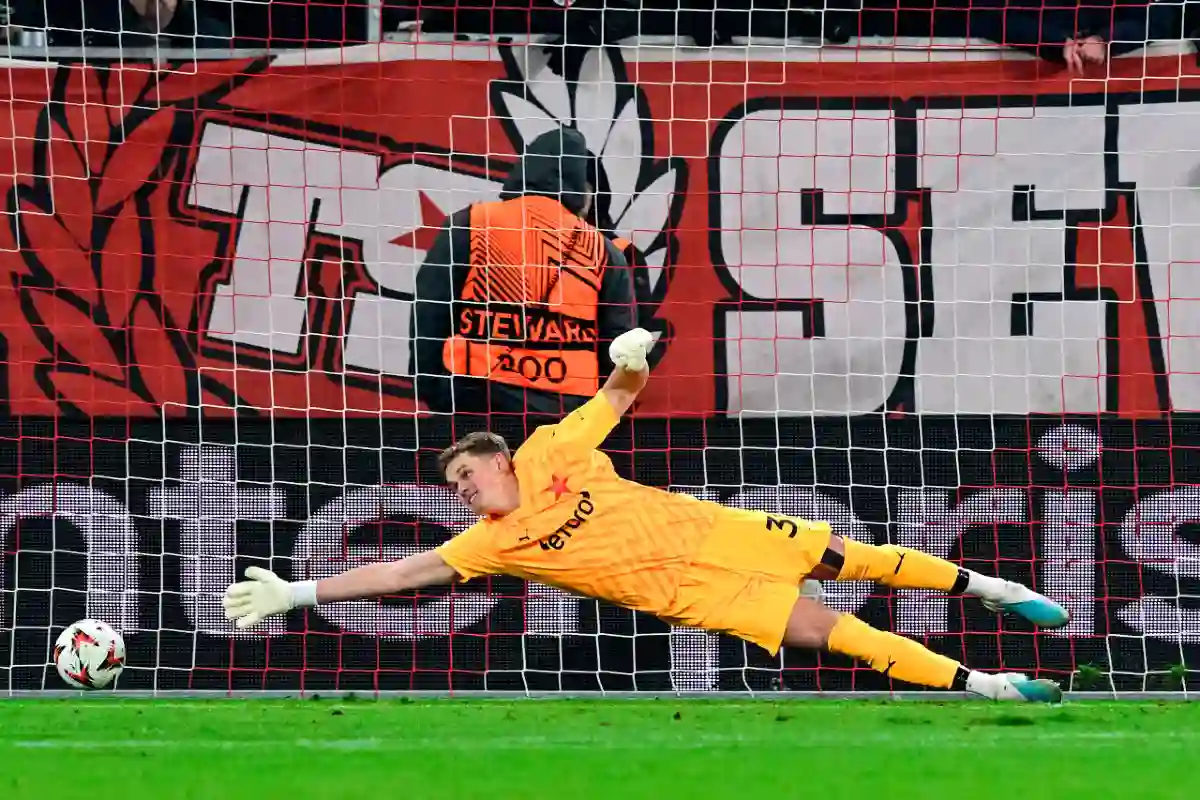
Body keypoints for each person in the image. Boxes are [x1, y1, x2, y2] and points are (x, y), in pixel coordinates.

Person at [224, 327, 1069, 702]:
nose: (463, 491)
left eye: (466, 475)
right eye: (453, 487)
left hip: (718, 531)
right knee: (841, 635)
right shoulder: (490, 545)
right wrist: (299, 593)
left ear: (500, 460)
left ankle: (996, 589)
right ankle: (990, 686)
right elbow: (402, 573)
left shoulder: (553, 448)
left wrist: (629, 358)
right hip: (699, 595)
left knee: (861, 558)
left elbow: (619, 393)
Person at [409, 126, 636, 417]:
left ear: (525, 168)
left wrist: (435, 391)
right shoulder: (604, 251)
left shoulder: (470, 224)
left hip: (473, 404)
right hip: (564, 415)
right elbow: (621, 348)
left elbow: (430, 310)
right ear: (580, 185)